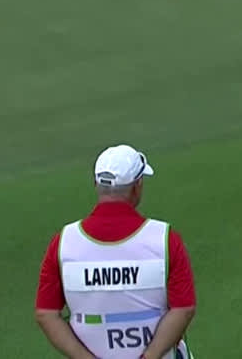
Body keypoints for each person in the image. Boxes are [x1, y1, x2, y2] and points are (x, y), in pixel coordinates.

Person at [35, 145, 197, 359]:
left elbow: (46, 313)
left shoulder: (63, 243)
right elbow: (184, 308)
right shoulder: (166, 240)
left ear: (96, 184)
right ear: (137, 186)